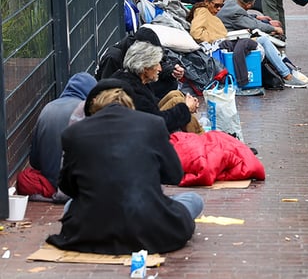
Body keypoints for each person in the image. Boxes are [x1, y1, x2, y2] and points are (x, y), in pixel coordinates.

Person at [46, 79, 203, 254]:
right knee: (193, 200)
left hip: (92, 229)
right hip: (148, 225)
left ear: (93, 107)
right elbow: (174, 175)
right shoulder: (153, 124)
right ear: (130, 103)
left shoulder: (73, 133)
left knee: (70, 207)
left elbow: (68, 187)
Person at [193, 0, 305, 87]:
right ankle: (286, 75)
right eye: (216, 5)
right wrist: (219, 37)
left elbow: (244, 18)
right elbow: (196, 33)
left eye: (220, 6)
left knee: (263, 40)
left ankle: (285, 71)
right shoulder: (203, 12)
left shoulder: (227, 6)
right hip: (224, 41)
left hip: (227, 39)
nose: (219, 9)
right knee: (264, 40)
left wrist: (257, 17)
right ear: (207, 2)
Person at [16, 72, 97, 202]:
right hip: (77, 182)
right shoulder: (85, 110)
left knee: (25, 177)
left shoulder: (48, 108)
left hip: (50, 182)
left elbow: (34, 161)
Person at [109, 41, 201, 134]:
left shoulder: (133, 78)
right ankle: (203, 139)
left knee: (175, 94)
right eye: (157, 64)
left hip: (142, 123)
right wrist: (186, 108)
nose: (160, 69)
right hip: (138, 133)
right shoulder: (134, 93)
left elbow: (152, 106)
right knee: (178, 103)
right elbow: (157, 123)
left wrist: (187, 103)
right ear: (145, 69)